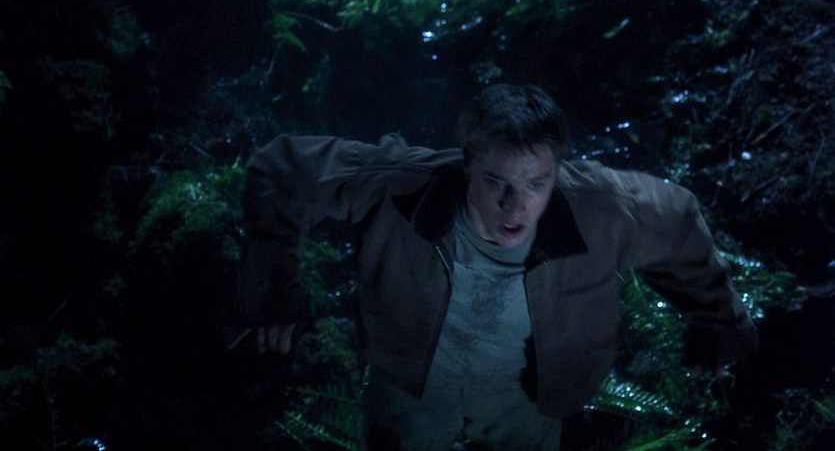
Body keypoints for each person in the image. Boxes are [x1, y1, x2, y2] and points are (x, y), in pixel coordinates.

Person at [235, 84, 757, 450]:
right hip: (410, 386)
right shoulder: (397, 183)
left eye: (536, 184)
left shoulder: (600, 206)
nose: (516, 207)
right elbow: (281, 170)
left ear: (556, 172)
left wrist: (717, 323)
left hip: (527, 398)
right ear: (468, 164)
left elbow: (678, 218)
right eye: (497, 183)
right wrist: (272, 291)